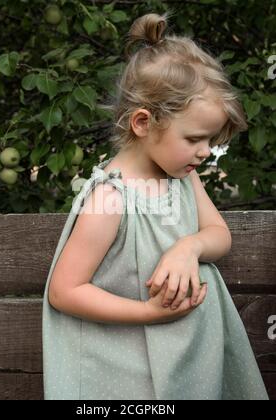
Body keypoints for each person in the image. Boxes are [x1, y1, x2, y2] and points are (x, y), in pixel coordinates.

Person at [42, 12, 269, 400]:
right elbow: (65, 291)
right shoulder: (110, 199)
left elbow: (218, 234)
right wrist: (149, 313)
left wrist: (189, 247)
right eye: (195, 138)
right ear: (143, 123)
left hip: (191, 357)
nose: (205, 152)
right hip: (128, 373)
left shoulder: (182, 177)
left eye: (210, 140)